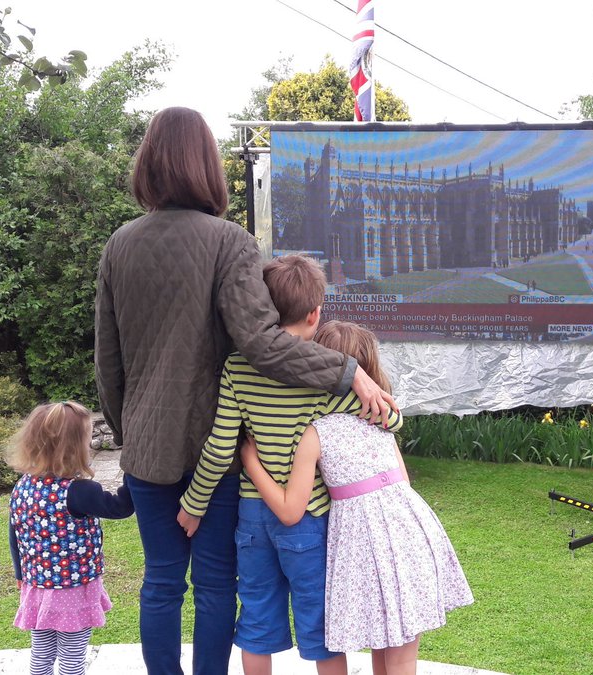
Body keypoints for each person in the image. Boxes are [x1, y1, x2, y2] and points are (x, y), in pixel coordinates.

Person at [94, 106, 396, 675]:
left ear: (149, 164)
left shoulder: (119, 245)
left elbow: (108, 365)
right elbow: (260, 343)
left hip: (147, 453)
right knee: (213, 585)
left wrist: (132, 436)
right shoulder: (229, 242)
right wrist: (346, 371)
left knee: (160, 582)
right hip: (219, 447)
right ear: (206, 166)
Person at [176, 255, 402, 675]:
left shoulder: (237, 366)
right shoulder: (319, 370)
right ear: (315, 314)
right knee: (320, 624)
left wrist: (194, 503)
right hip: (309, 520)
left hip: (252, 514)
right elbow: (388, 417)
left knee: (257, 616)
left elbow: (222, 444)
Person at [241, 321, 474, 675]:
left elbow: (290, 511)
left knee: (390, 653)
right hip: (409, 537)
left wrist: (250, 461)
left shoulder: (315, 434)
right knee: (395, 653)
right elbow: (403, 480)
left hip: (364, 550)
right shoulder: (382, 417)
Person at [5, 401, 134, 675]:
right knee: (72, 659)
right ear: (74, 448)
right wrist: (135, 472)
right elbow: (121, 508)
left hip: (37, 587)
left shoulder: (23, 485)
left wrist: (20, 573)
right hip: (73, 589)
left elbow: (14, 532)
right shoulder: (79, 491)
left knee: (41, 655)